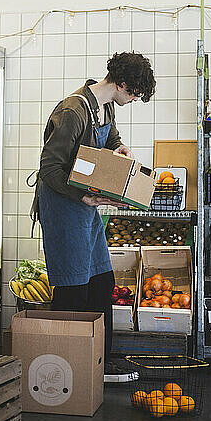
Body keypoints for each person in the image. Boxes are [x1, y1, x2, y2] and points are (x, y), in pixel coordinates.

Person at [32, 51, 156, 381]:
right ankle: (64, 367)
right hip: (63, 205)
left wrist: (120, 149)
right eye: (135, 93)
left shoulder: (105, 106)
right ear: (123, 84)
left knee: (102, 282)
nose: (134, 99)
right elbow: (49, 168)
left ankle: (101, 360)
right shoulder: (73, 110)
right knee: (72, 290)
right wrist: (83, 195)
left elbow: (110, 136)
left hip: (87, 209)